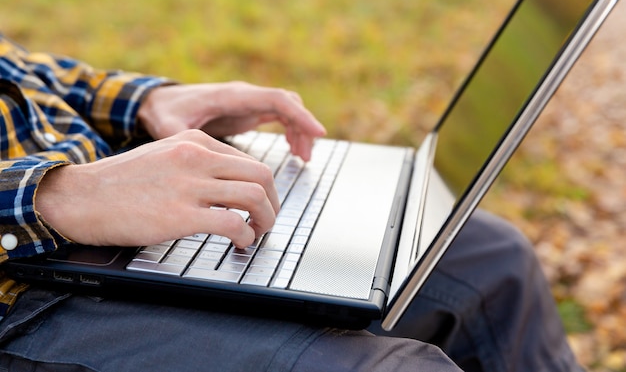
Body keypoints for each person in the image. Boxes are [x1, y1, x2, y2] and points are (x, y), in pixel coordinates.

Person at [0, 33, 582, 372]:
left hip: (102, 216)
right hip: (23, 300)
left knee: (492, 261)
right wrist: (59, 195)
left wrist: (152, 99)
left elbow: (19, 68)